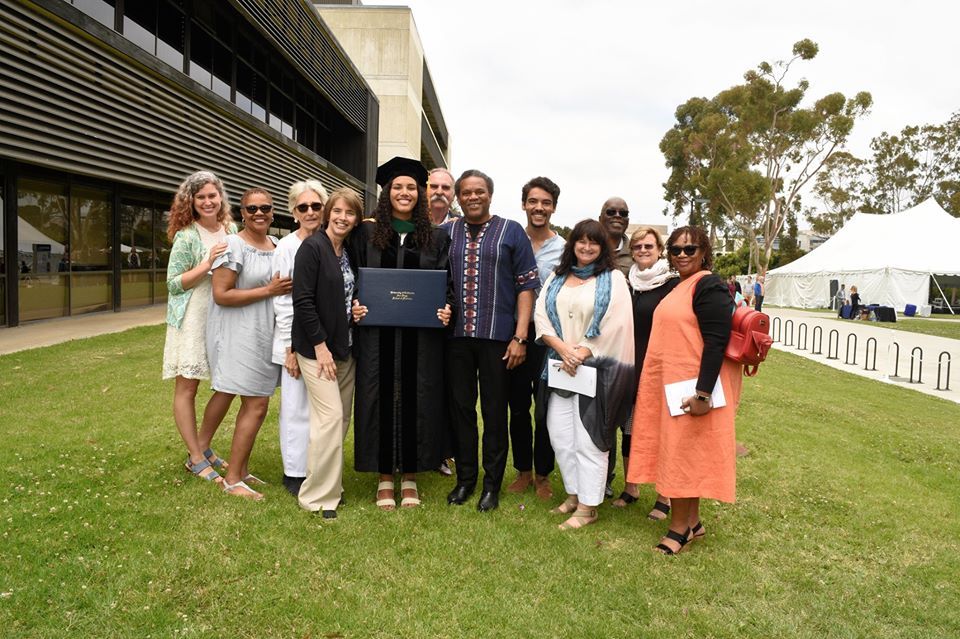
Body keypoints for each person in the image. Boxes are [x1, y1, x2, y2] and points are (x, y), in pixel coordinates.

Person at [628, 225, 742, 554]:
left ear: (704, 252)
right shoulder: (680, 285)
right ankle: (693, 522)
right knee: (683, 453)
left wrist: (703, 393)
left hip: (691, 388)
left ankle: (678, 529)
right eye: (675, 250)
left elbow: (716, 342)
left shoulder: (709, 286)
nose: (681, 255)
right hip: (674, 387)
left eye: (689, 249)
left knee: (680, 456)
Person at [351, 157, 453, 510]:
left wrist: (447, 308)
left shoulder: (437, 238)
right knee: (378, 397)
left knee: (417, 397)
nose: (404, 193)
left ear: (420, 194)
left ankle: (409, 475)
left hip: (421, 339)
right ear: (386, 192)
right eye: (398, 187)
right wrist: (354, 305)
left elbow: (447, 285)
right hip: (376, 337)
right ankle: (383, 477)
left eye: (411, 187)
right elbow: (351, 278)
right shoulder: (366, 233)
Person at [445, 169, 539, 512]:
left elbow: (526, 285)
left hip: (498, 339)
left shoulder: (511, 231)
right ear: (458, 196)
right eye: (466, 192)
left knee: (495, 412)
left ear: (489, 195)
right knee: (461, 411)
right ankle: (465, 479)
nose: (473, 197)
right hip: (455, 338)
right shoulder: (447, 231)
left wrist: (520, 335)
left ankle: (491, 485)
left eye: (479, 191)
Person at [534, 219, 635, 530]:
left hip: (596, 370)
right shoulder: (557, 275)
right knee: (561, 436)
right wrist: (562, 349)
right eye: (581, 241)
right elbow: (541, 314)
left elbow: (616, 322)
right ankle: (574, 494)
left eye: (594, 242)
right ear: (573, 244)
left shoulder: (614, 278)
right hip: (558, 366)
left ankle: (589, 506)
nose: (587, 247)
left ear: (602, 246)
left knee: (589, 438)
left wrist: (580, 352)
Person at [208, 188, 292, 500]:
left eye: (265, 208)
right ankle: (232, 479)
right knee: (256, 406)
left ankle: (241, 469)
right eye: (252, 208)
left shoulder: (278, 245)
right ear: (242, 213)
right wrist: (268, 291)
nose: (259, 213)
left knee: (254, 405)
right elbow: (222, 294)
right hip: (240, 334)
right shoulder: (233, 245)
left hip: (268, 334)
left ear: (273, 212)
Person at [292, 187, 363, 518]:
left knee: (340, 421)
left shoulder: (346, 252)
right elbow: (303, 301)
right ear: (327, 214)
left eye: (349, 213)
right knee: (330, 419)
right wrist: (320, 347)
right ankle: (317, 497)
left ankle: (332, 485)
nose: (342, 218)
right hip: (317, 350)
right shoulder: (312, 248)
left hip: (345, 347)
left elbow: (343, 297)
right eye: (337, 211)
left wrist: (355, 312)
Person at [161, 170, 236, 484]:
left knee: (228, 383)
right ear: (191, 201)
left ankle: (203, 446)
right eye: (201, 197)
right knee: (188, 387)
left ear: (220, 198)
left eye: (212, 195)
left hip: (224, 315)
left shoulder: (231, 229)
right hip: (192, 316)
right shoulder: (187, 235)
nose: (208, 202)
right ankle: (194, 458)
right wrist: (207, 263)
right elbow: (173, 284)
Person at [611, 227, 679, 516]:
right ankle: (631, 487)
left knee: (662, 433)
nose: (642, 251)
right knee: (630, 431)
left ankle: (665, 497)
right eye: (637, 246)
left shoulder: (672, 284)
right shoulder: (628, 283)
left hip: (661, 368)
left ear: (660, 249)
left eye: (648, 246)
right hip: (631, 366)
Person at [506, 176, 564, 500]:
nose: (538, 207)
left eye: (545, 202)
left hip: (549, 340)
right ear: (524, 204)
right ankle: (523, 471)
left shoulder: (564, 248)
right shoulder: (512, 240)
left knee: (544, 411)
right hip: (516, 335)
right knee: (517, 407)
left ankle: (543, 475)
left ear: (553, 207)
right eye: (533, 201)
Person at [272, 179, 328, 497]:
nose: (309, 211)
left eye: (315, 206)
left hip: (326, 338)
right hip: (295, 339)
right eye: (302, 207)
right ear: (294, 212)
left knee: (324, 410)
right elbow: (282, 302)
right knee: (295, 407)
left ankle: (318, 469)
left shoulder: (332, 242)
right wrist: (289, 349)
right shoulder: (286, 247)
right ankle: (294, 472)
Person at [599, 196, 633, 277]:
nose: (617, 216)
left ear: (627, 221)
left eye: (623, 213)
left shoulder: (637, 254)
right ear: (600, 219)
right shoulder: (587, 250)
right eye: (611, 212)